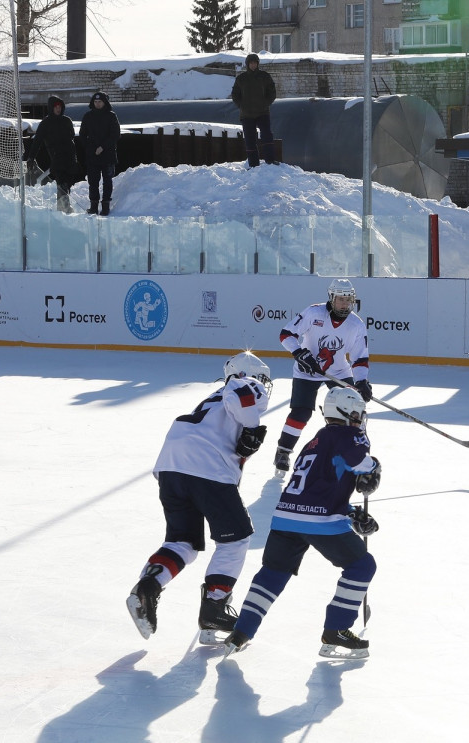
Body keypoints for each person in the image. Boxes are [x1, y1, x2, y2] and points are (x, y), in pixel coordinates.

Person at [126, 352, 273, 644]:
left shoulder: (213, 399)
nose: (263, 386)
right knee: (236, 539)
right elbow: (243, 394)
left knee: (183, 542)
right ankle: (214, 607)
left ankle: (148, 586)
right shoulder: (242, 384)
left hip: (171, 465)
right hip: (206, 465)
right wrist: (253, 428)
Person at [224, 386, 381, 659]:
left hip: (285, 516)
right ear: (345, 412)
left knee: (272, 574)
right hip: (319, 519)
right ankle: (337, 629)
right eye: (356, 412)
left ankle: (241, 631)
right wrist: (374, 466)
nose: (359, 418)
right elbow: (360, 462)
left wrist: (351, 512)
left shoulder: (315, 441)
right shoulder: (349, 435)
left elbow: (318, 486)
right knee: (361, 565)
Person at [273, 279, 371, 474]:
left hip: (339, 372)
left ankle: (356, 452)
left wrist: (361, 380)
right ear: (331, 298)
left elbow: (360, 357)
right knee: (301, 413)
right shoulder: (313, 313)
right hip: (306, 371)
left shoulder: (356, 324)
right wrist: (300, 354)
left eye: (348, 299)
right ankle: (283, 450)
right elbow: (286, 334)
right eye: (340, 299)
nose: (344, 304)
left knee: (353, 411)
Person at [25, 95, 79, 212]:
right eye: (56, 107)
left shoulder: (67, 120)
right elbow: (37, 141)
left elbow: (72, 137)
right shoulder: (46, 123)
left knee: (67, 182)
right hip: (56, 156)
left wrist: (74, 156)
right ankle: (63, 207)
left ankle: (64, 204)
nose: (58, 109)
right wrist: (31, 157)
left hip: (69, 156)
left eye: (60, 107)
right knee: (61, 181)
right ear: (51, 108)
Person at [231, 53, 277, 168]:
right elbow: (235, 95)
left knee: (267, 136)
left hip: (263, 113)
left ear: (257, 64)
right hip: (247, 115)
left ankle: (270, 161)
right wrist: (242, 106)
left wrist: (265, 103)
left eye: (255, 63)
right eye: (251, 63)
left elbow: (272, 92)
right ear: (247, 64)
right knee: (250, 140)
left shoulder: (264, 76)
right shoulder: (241, 78)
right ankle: (253, 165)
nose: (253, 65)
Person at [80, 91, 120, 216]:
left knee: (107, 181)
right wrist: (89, 148)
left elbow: (115, 135)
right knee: (93, 182)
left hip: (107, 155)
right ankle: (93, 206)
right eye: (95, 102)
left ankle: (106, 206)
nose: (97, 104)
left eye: (100, 102)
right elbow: (82, 134)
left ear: (105, 103)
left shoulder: (111, 116)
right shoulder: (88, 116)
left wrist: (103, 147)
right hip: (92, 156)